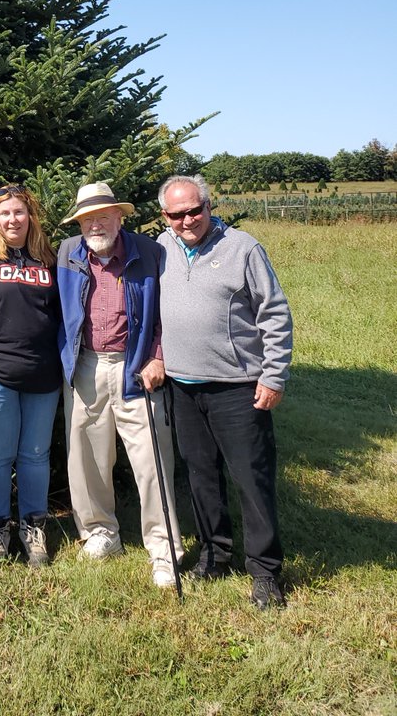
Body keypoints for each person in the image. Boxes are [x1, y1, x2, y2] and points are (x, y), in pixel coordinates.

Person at [157, 174, 293, 610]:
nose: (187, 220)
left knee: (251, 478)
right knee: (200, 475)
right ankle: (214, 554)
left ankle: (265, 572)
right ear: (165, 215)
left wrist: (273, 375)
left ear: (209, 206)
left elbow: (273, 311)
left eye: (195, 210)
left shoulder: (243, 248)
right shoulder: (157, 249)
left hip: (238, 387)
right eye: (177, 214)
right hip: (182, 385)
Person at [57, 181, 183, 588]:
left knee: (151, 461)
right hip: (85, 367)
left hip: (136, 367)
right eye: (87, 219)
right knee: (86, 456)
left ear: (119, 217)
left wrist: (158, 356)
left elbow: (171, 311)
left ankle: (164, 549)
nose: (96, 225)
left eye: (103, 217)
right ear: (79, 224)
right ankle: (100, 532)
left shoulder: (150, 253)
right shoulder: (66, 254)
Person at [0, 184, 62, 568]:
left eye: (19, 212)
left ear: (30, 215)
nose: (12, 220)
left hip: (44, 372)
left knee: (35, 456)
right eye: (4, 214)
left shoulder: (48, 256)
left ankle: (33, 529)